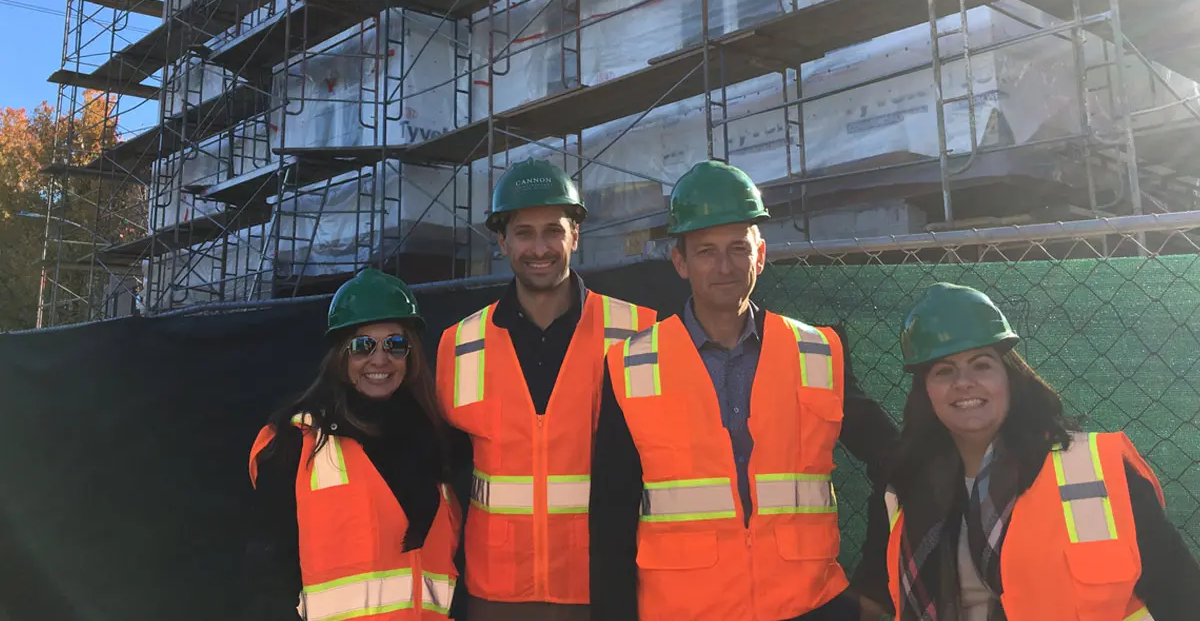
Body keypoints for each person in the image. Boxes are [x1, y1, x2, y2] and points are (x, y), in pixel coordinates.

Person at [589, 160, 899, 621]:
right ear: (680, 262)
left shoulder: (817, 352)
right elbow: (611, 517)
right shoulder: (631, 365)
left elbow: (896, 459)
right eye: (706, 251)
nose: (724, 266)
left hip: (808, 607)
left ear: (760, 254)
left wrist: (876, 583)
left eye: (738, 247)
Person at [854, 281, 1200, 620]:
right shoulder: (903, 487)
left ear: (1009, 376)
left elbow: (1180, 593)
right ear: (925, 393)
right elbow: (873, 597)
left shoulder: (1095, 472)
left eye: (981, 364)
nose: (964, 382)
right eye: (944, 371)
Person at [436, 159, 658, 621]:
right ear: (502, 242)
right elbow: (435, 462)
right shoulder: (458, 344)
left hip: (602, 588)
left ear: (575, 235)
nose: (539, 248)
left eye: (553, 231)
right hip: (494, 593)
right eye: (523, 233)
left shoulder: (639, 332)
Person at [246, 269, 463, 620]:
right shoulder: (295, 444)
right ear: (340, 356)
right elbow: (266, 577)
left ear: (411, 355)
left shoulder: (438, 442)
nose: (380, 360)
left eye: (395, 344)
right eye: (363, 345)